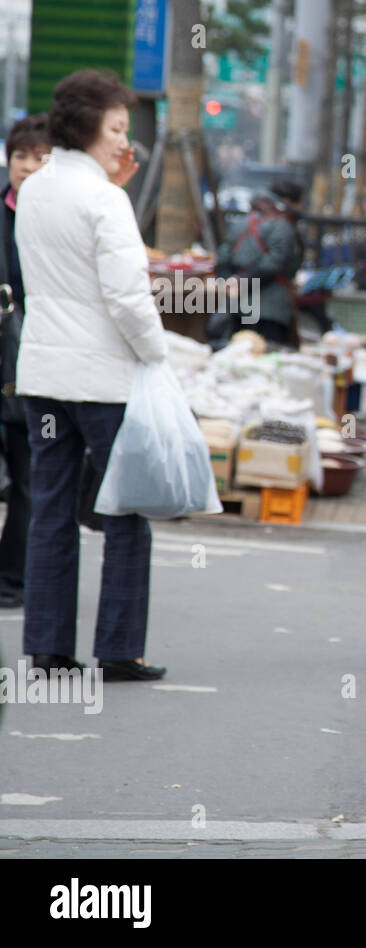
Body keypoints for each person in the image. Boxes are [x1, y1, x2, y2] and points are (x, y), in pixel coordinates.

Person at [16, 69, 169, 680]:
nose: (123, 143)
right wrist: (158, 356)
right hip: (103, 380)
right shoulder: (107, 199)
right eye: (117, 129)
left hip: (45, 374)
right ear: (89, 129)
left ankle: (49, 649)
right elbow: (129, 298)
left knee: (50, 508)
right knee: (125, 512)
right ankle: (119, 649)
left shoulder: (36, 190)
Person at [0, 115, 52, 609]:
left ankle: (12, 579)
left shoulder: (58, 220)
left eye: (41, 158)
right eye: (21, 156)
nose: (29, 167)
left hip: (30, 366)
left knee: (28, 479)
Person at [214, 184, 303, 347]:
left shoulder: (239, 224)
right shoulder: (283, 226)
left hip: (240, 303)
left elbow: (223, 258)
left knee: (238, 353)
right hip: (271, 308)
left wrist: (231, 281)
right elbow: (275, 264)